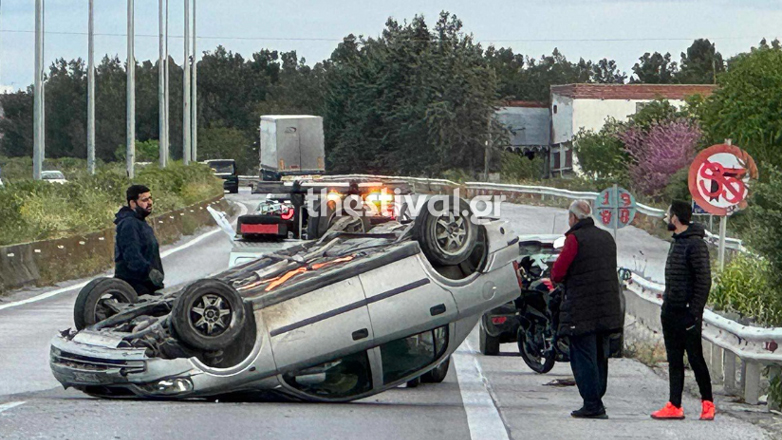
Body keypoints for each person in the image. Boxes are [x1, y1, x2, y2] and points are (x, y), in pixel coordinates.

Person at [551, 200, 624, 419]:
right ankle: (597, 397)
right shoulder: (607, 238)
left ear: (573, 218)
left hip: (582, 309)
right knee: (601, 355)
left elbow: (558, 272)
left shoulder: (574, 239)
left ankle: (592, 404)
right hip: (608, 308)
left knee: (583, 356)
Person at [651, 200, 715, 421]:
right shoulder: (676, 242)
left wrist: (694, 311)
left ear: (676, 218)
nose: (666, 218)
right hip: (671, 309)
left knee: (695, 358)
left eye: (668, 214)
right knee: (674, 359)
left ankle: (708, 403)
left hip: (688, 313)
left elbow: (704, 281)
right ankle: (674, 404)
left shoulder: (696, 245)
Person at [114, 185, 164, 296]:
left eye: (150, 198)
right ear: (133, 203)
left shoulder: (140, 222)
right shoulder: (129, 224)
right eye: (144, 200)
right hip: (136, 287)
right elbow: (131, 255)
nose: (150, 202)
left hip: (148, 285)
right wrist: (149, 271)